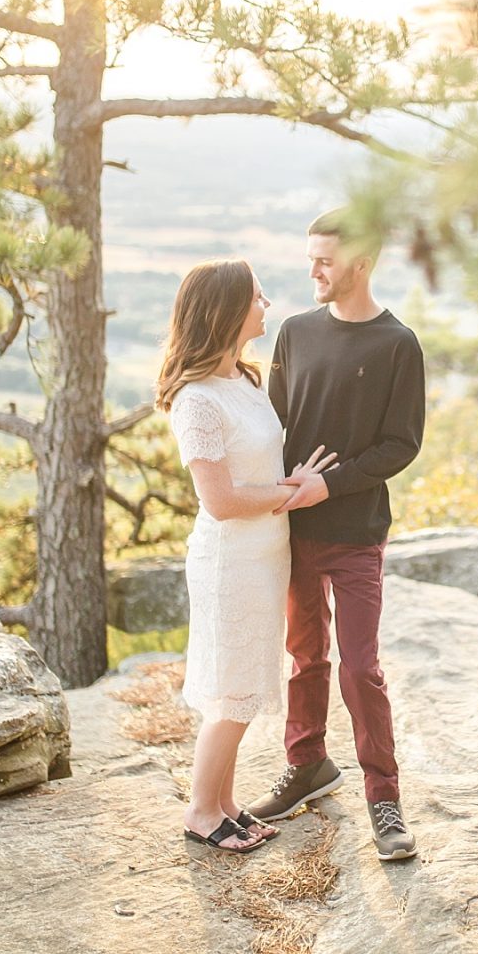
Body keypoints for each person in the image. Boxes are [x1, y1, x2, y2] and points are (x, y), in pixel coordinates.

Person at [247, 210, 426, 862]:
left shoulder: (397, 344)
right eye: (311, 258)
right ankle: (307, 766)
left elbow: (401, 445)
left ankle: (385, 798)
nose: (313, 270)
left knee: (359, 668)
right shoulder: (295, 333)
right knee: (305, 659)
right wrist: (278, 485)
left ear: (361, 262)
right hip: (293, 529)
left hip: (355, 532)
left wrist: (334, 482)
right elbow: (273, 426)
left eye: (325, 259)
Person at [156, 259, 335, 855]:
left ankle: (228, 805)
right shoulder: (197, 401)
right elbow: (223, 500)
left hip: (266, 556)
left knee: (243, 683)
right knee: (231, 692)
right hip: (231, 561)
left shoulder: (245, 382)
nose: (266, 306)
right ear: (227, 312)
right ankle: (202, 812)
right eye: (257, 298)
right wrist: (293, 491)